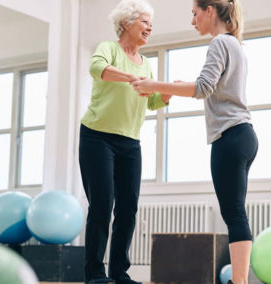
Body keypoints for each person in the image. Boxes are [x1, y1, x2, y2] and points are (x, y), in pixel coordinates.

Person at [131, 1, 258, 283]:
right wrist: (174, 85)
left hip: (230, 136)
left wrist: (156, 85)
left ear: (210, 10)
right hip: (245, 136)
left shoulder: (219, 44)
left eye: (194, 14)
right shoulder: (236, 45)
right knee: (236, 213)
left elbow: (202, 88)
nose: (192, 21)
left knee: (235, 215)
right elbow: (213, 87)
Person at [78, 1, 170, 283]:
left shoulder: (147, 63)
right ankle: (94, 273)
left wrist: (165, 94)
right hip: (97, 137)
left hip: (130, 143)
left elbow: (151, 101)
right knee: (102, 205)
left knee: (128, 209)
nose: (149, 27)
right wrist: (131, 77)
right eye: (144, 21)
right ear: (127, 23)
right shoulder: (109, 48)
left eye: (150, 23)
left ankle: (119, 273)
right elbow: (97, 68)